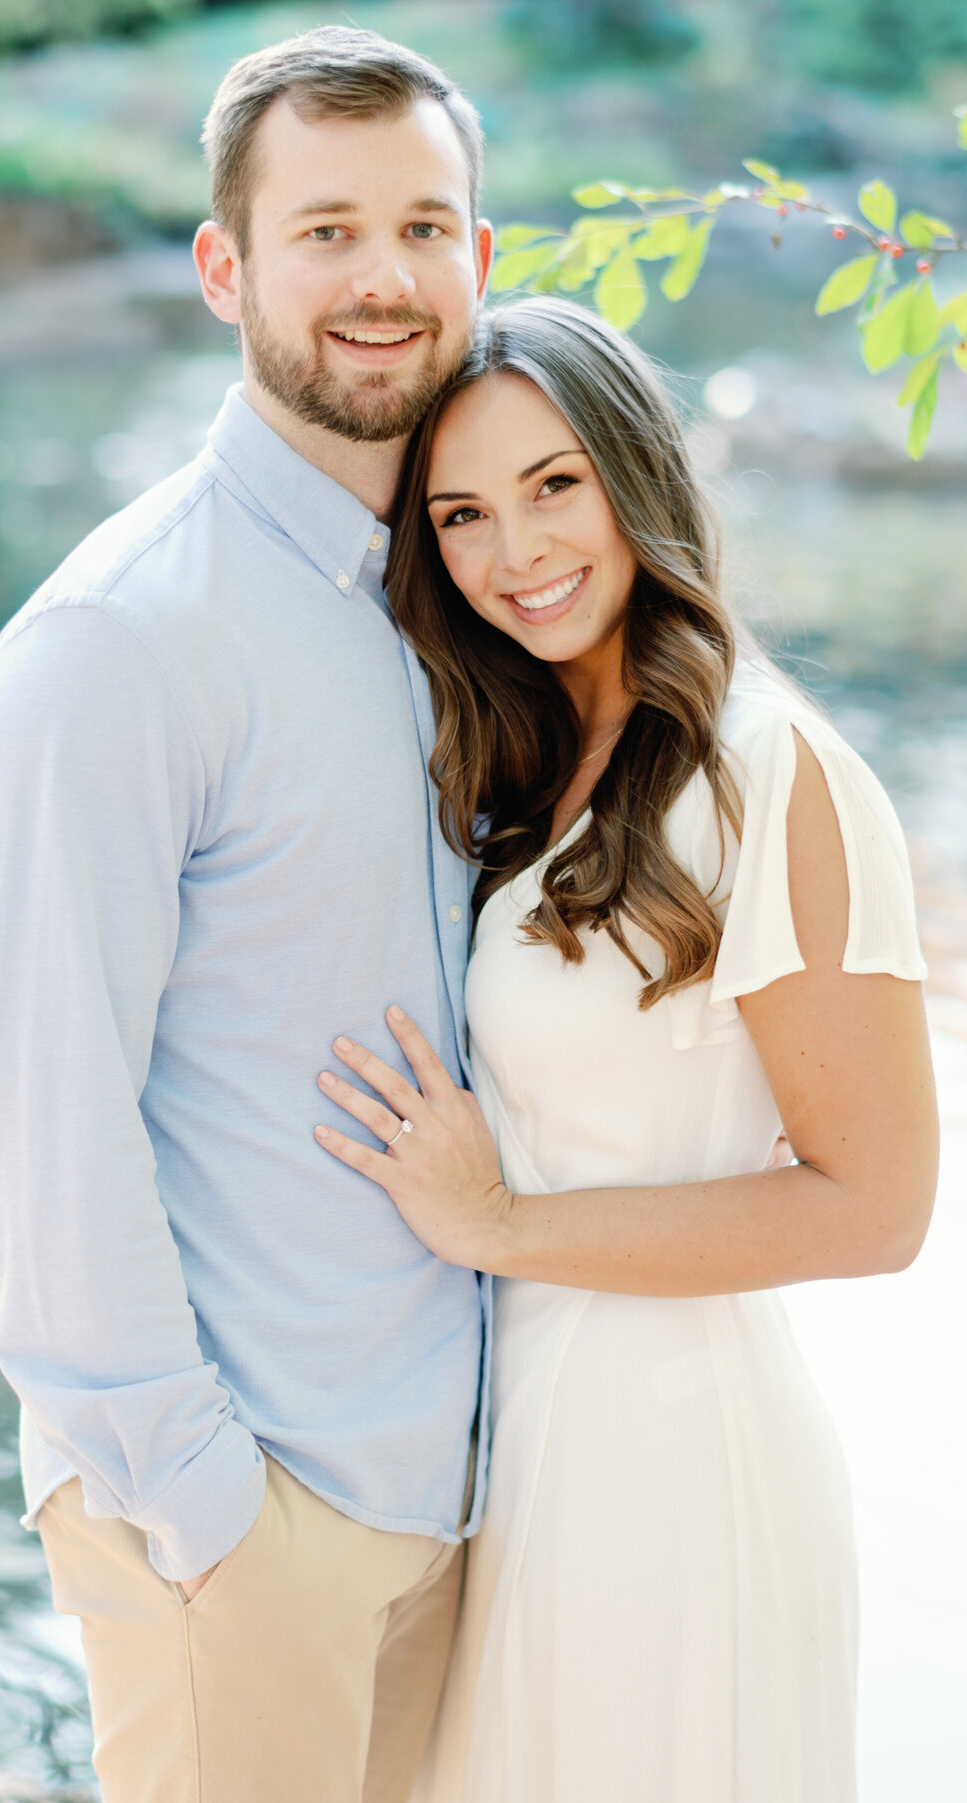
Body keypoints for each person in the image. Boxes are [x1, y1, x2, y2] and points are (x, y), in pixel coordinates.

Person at [0, 27, 495, 1803]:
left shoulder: (476, 597)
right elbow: (47, 1123)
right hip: (249, 1507)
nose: (383, 278)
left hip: (454, 1494)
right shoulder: (119, 643)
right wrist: (201, 1502)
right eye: (325, 230)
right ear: (224, 268)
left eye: (424, 226)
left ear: (481, 261)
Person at [314, 295, 939, 1802]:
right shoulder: (527, 762)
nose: (516, 553)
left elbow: (878, 1207)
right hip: (520, 1446)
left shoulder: (770, 767)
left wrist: (503, 1225)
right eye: (463, 514)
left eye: (555, 486)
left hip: (667, 1459)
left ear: (636, 473)